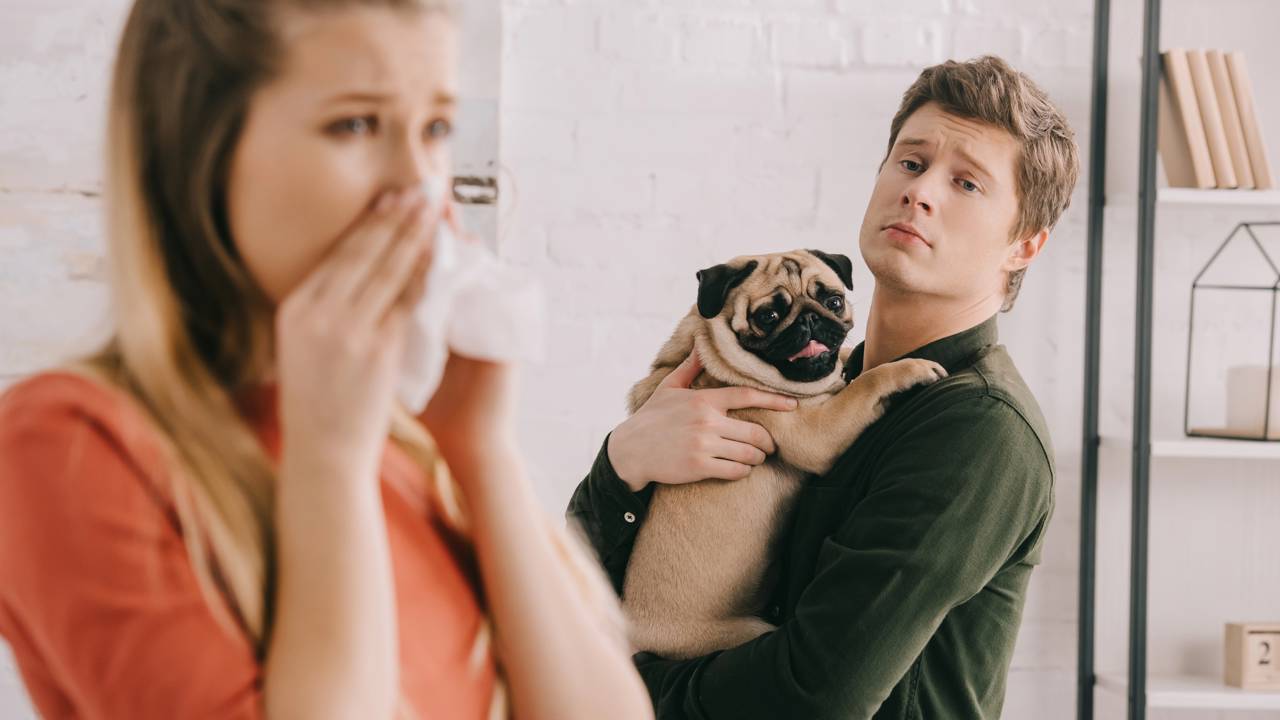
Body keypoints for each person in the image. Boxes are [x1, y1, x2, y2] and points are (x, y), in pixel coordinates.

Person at [0, 2, 652, 719]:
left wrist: (479, 448)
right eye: (356, 124)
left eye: (435, 129)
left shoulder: (410, 440)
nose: (417, 184)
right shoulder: (65, 442)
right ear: (197, 154)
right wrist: (329, 462)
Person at [568, 55, 1079, 719]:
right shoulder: (810, 394)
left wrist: (621, 693)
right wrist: (623, 464)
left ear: (1025, 246)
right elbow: (575, 587)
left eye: (968, 184)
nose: (920, 193)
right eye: (911, 162)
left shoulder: (978, 430)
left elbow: (813, 697)